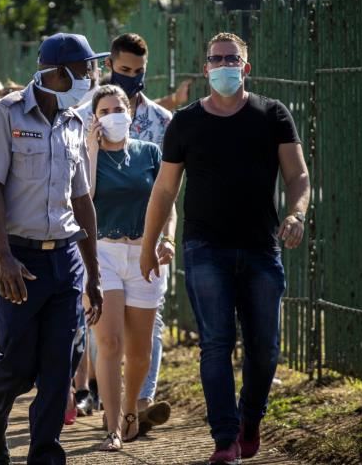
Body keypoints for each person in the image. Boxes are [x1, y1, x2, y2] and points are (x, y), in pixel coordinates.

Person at [140, 33, 310, 465]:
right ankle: (225, 439)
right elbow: (164, 190)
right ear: (205, 69)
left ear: (245, 67)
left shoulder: (272, 115)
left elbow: (298, 176)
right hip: (204, 247)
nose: (223, 65)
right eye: (215, 59)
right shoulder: (186, 121)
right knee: (216, 343)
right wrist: (150, 244)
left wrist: (297, 214)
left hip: (260, 248)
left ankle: (250, 420)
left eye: (231, 59)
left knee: (265, 347)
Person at [0, 33, 105, 465]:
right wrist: (3, 256)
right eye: (84, 69)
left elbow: (82, 200)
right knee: (18, 363)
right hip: (20, 259)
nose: (91, 77)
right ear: (57, 71)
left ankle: (45, 453)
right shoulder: (5, 113)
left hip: (64, 259)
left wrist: (94, 274)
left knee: (59, 365)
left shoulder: (73, 122)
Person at [77, 32, 176, 431]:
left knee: (144, 336)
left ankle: (139, 403)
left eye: (139, 72)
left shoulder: (159, 128)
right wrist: (94, 146)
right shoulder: (83, 122)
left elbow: (167, 195)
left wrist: (165, 239)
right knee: (108, 338)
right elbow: (83, 196)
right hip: (102, 250)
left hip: (147, 247)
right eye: (124, 71)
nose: (132, 79)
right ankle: (112, 414)